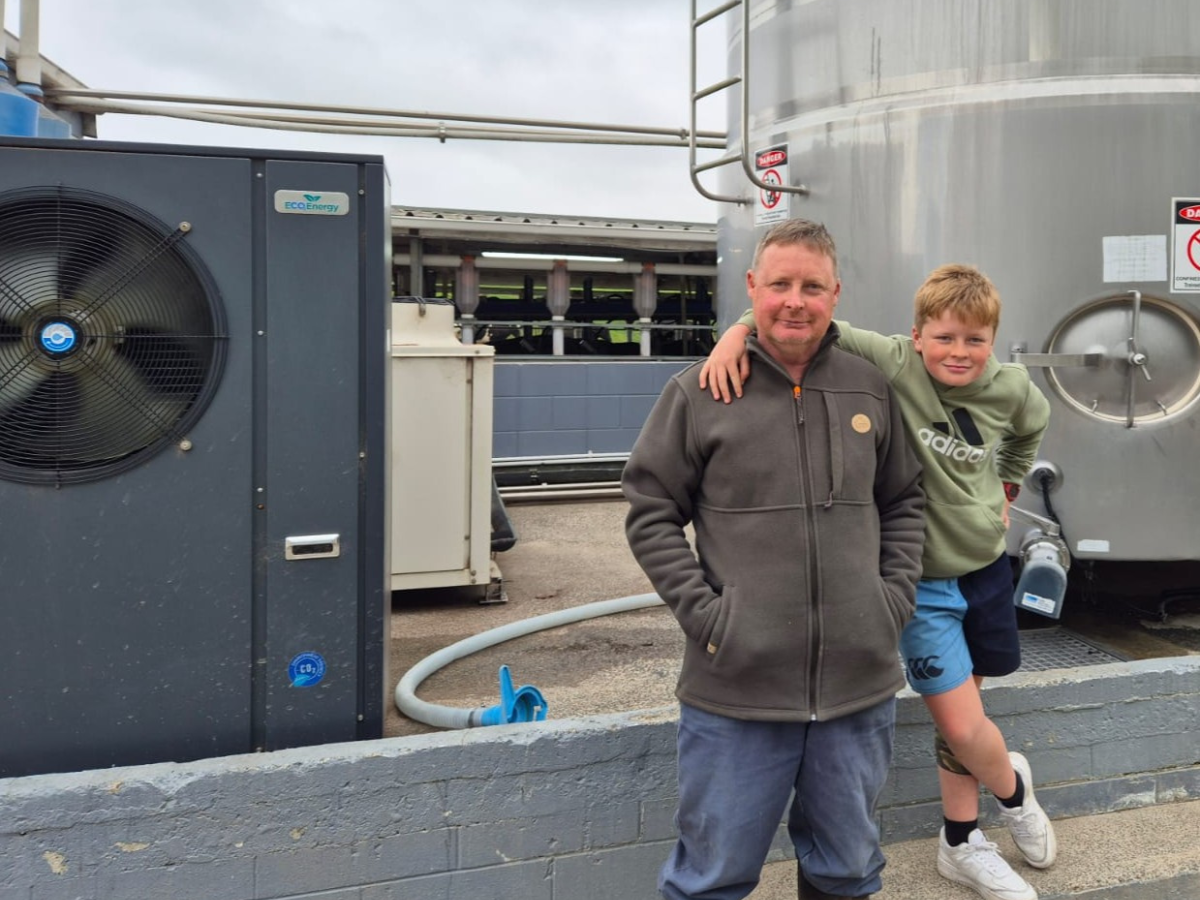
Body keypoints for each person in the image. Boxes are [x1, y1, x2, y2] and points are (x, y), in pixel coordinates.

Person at [700, 257, 1056, 900]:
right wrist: (735, 332)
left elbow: (1031, 428)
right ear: (916, 335)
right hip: (922, 582)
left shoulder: (1012, 388)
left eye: (975, 340)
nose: (958, 351)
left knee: (964, 723)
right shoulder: (892, 361)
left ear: (993, 342)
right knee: (965, 726)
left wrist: (1006, 484)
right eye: (943, 337)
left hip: (985, 569)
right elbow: (805, 315)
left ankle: (960, 840)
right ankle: (1014, 789)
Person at [623, 219, 926, 900]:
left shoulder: (869, 388)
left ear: (835, 294)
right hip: (736, 692)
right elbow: (650, 513)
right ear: (753, 288)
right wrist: (710, 618)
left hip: (857, 689)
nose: (796, 300)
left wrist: (890, 602)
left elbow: (905, 500)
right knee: (711, 879)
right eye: (780, 284)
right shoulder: (698, 393)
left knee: (847, 872)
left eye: (811, 286)